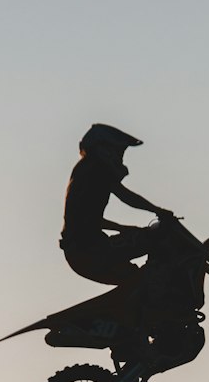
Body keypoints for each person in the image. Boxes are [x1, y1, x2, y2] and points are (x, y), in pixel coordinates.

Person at [59, 123, 168, 287]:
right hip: (90, 250)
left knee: (137, 279)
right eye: (119, 150)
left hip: (82, 250)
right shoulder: (96, 169)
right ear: (104, 148)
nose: (121, 156)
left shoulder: (86, 170)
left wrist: (123, 228)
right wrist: (158, 210)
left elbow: (89, 219)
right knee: (157, 237)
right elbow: (126, 196)